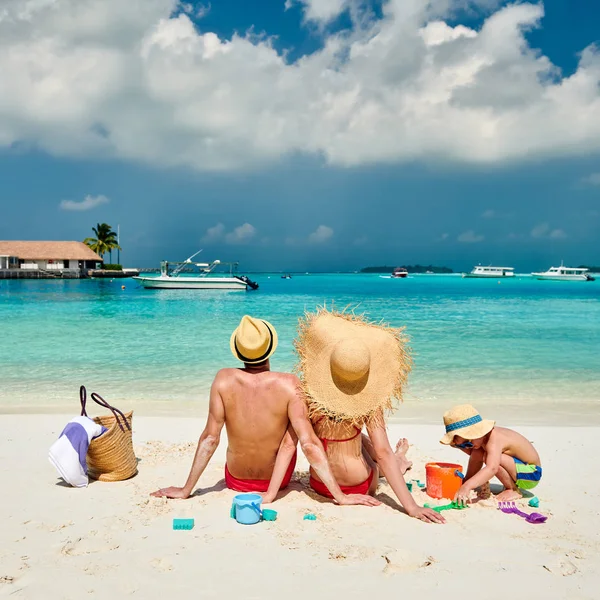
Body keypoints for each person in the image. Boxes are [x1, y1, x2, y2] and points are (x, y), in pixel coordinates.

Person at [151, 315, 379, 507]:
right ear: (270, 348)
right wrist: (340, 497)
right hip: (276, 482)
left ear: (238, 352)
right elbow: (308, 444)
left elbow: (210, 439)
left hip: (235, 480)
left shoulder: (222, 380)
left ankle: (397, 461)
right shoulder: (290, 385)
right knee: (301, 431)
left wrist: (186, 489)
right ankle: (395, 463)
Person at [266, 307, 444, 524]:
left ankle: (401, 458)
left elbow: (288, 445)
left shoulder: (310, 397)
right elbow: (382, 453)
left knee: (360, 441)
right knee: (378, 453)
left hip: (321, 484)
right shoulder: (369, 404)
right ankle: (402, 461)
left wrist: (270, 495)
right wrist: (412, 507)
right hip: (360, 484)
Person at [440, 404, 542, 505]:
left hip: (531, 474)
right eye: (463, 445)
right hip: (518, 469)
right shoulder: (481, 439)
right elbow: (474, 455)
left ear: (476, 433)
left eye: (467, 443)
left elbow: (492, 468)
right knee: (477, 452)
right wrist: (468, 481)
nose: (467, 447)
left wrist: (467, 487)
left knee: (489, 458)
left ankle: (513, 489)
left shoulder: (494, 439)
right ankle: (468, 479)